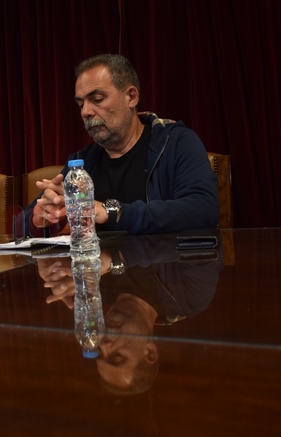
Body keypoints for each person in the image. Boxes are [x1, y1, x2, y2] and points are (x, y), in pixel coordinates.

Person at [20, 54, 219, 237]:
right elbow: (19, 224)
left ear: (131, 97)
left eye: (97, 99)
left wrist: (111, 212)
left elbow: (203, 210)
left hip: (163, 264)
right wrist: (38, 219)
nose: (85, 112)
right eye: (80, 104)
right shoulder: (82, 163)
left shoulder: (176, 142)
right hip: (98, 265)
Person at [37, 233, 222, 394]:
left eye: (98, 353)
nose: (104, 345)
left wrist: (46, 253)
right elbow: (205, 240)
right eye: (117, 357)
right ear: (149, 352)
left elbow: (39, 219)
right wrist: (116, 259)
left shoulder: (96, 287)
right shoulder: (189, 297)